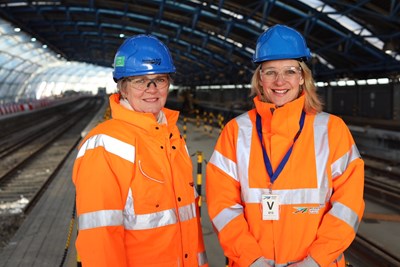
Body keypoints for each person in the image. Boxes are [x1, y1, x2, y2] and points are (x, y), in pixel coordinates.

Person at [206, 24, 364, 267]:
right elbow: (222, 206)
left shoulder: (332, 130)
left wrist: (316, 261)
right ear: (260, 78)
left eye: (289, 71)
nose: (280, 81)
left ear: (302, 77)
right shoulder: (236, 132)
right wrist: (251, 259)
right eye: (270, 72)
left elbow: (348, 206)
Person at [72, 34, 208, 267]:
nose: (152, 89)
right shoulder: (104, 146)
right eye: (140, 80)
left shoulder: (173, 138)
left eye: (160, 79)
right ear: (122, 87)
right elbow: (100, 241)